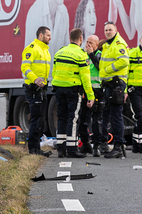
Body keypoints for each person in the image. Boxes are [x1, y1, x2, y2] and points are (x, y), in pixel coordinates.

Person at [52, 28, 94, 159]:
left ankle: (61, 148)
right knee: (73, 118)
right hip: (73, 90)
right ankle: (72, 149)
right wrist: (90, 96)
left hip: (59, 89)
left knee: (61, 117)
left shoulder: (59, 52)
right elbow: (86, 78)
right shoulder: (81, 55)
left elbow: (54, 72)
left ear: (70, 39)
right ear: (80, 39)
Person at [99, 21, 130, 159]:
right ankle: (113, 145)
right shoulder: (108, 45)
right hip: (109, 84)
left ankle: (118, 146)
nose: (107, 32)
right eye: (106, 30)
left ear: (116, 30)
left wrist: (107, 70)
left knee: (116, 116)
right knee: (109, 115)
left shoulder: (118, 44)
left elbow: (124, 61)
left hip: (116, 84)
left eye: (110, 30)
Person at [20, 26, 52, 155]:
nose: (50, 38)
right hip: (33, 89)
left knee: (40, 118)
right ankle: (33, 148)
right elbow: (25, 67)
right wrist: (35, 79)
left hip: (41, 89)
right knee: (36, 118)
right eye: (48, 35)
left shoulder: (45, 50)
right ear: (41, 35)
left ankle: (36, 147)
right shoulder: (32, 48)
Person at [78, 34, 104, 156]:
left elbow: (100, 67)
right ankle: (86, 144)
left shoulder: (100, 54)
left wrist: (91, 54)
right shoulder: (82, 54)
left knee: (97, 121)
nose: (87, 45)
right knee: (82, 119)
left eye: (91, 43)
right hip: (84, 90)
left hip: (97, 90)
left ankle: (97, 146)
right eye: (87, 42)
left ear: (97, 45)